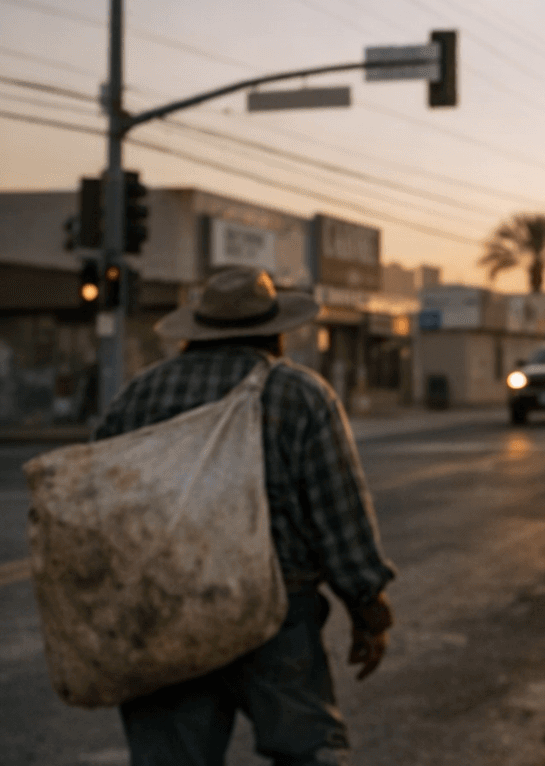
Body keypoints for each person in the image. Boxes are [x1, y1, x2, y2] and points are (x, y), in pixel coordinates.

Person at [95, 266, 396, 766]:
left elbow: (100, 504)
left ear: (197, 331)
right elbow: (338, 514)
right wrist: (368, 607)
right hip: (273, 611)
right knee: (310, 751)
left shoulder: (140, 395)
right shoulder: (300, 393)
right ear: (275, 330)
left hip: (166, 611)